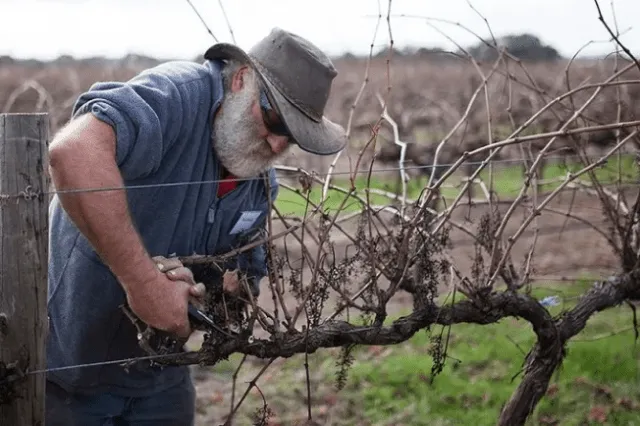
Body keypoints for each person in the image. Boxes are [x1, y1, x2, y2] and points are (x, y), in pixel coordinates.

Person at [44, 27, 347, 425]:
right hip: (67, 375)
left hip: (161, 379)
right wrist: (143, 282)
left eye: (291, 137)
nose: (276, 144)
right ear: (241, 79)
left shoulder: (258, 187)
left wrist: (220, 294)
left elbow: (238, 289)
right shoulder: (174, 96)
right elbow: (73, 151)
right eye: (275, 120)